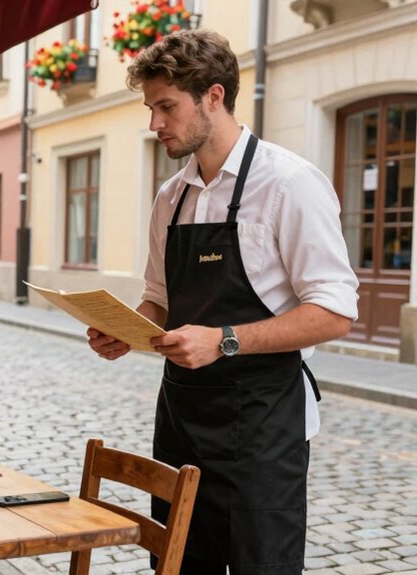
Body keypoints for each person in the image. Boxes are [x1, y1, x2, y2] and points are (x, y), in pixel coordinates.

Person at [87, 30, 359, 574]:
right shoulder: (172, 197)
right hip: (182, 417)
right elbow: (159, 300)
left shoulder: (289, 183)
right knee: (181, 563)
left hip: (263, 429)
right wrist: (127, 328)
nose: (154, 124)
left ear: (214, 95)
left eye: (167, 107)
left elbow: (334, 312)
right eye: (150, 107)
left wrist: (224, 339)